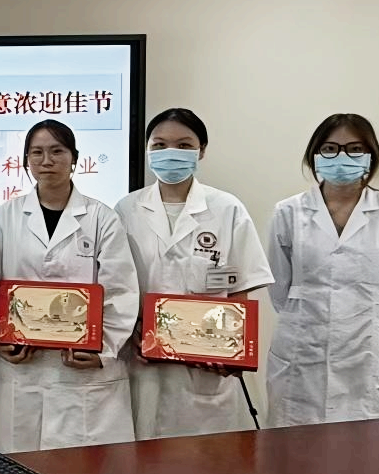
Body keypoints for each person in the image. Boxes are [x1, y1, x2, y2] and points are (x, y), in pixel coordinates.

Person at [0, 119, 139, 451]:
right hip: (22, 364)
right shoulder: (4, 216)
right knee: (19, 465)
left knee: (81, 468)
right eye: (36, 153)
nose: (47, 161)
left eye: (57, 151)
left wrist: (104, 349)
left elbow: (120, 289)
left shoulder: (101, 218)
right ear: (26, 160)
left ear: (74, 158)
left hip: (81, 365)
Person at [115, 109, 273, 439]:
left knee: (206, 462)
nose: (170, 153)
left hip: (206, 367)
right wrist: (129, 333)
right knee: (142, 459)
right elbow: (116, 286)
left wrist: (234, 351)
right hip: (143, 362)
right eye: (160, 145)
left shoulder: (227, 209)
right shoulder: (126, 209)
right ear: (147, 150)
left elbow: (239, 288)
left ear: (201, 151)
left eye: (184, 145)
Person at [266, 114, 379, 425]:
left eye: (355, 149)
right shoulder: (289, 212)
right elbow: (279, 287)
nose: (342, 157)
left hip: (372, 352)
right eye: (330, 149)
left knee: (369, 446)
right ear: (314, 155)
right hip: (304, 347)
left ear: (370, 155)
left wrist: (378, 324)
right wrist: (309, 319)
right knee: (298, 443)